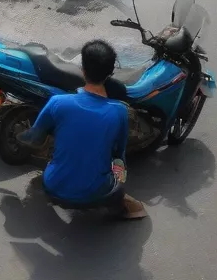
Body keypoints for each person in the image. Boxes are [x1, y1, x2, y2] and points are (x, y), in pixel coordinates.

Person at [20, 40, 147, 220]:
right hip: (97, 194)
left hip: (53, 188)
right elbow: (119, 154)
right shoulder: (119, 111)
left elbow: (33, 138)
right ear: (110, 73)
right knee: (124, 187)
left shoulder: (57, 102)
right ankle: (116, 205)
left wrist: (20, 135)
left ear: (82, 69)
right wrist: (121, 181)